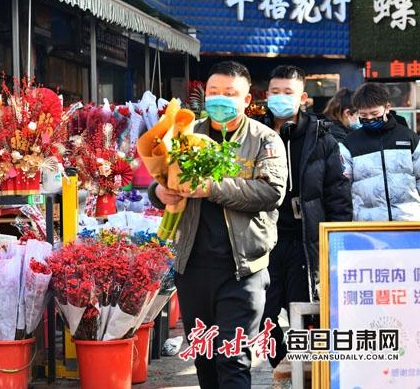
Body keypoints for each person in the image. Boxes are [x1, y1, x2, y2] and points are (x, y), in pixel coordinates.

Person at [148, 61, 288, 388]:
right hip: (193, 266)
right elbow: (158, 180)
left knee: (233, 358)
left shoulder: (264, 139)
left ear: (246, 99)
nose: (220, 100)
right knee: (206, 357)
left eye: (230, 94)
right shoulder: (185, 134)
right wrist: (158, 191)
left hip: (242, 268)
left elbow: (271, 191)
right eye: (214, 93)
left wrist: (212, 187)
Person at [261, 65, 352, 368]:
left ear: (302, 97)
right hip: (264, 242)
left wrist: (337, 244)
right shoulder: (254, 134)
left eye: (289, 92)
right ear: (266, 95)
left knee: (306, 314)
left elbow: (338, 195)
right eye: (275, 92)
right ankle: (279, 366)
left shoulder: (322, 138)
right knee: (263, 313)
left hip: (305, 241)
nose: (281, 98)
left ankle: (304, 374)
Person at [340, 83, 420, 221]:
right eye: (363, 115)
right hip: (367, 225)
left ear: (387, 108)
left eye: (374, 113)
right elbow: (343, 187)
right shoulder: (349, 144)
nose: (370, 118)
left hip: (409, 222)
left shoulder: (409, 138)